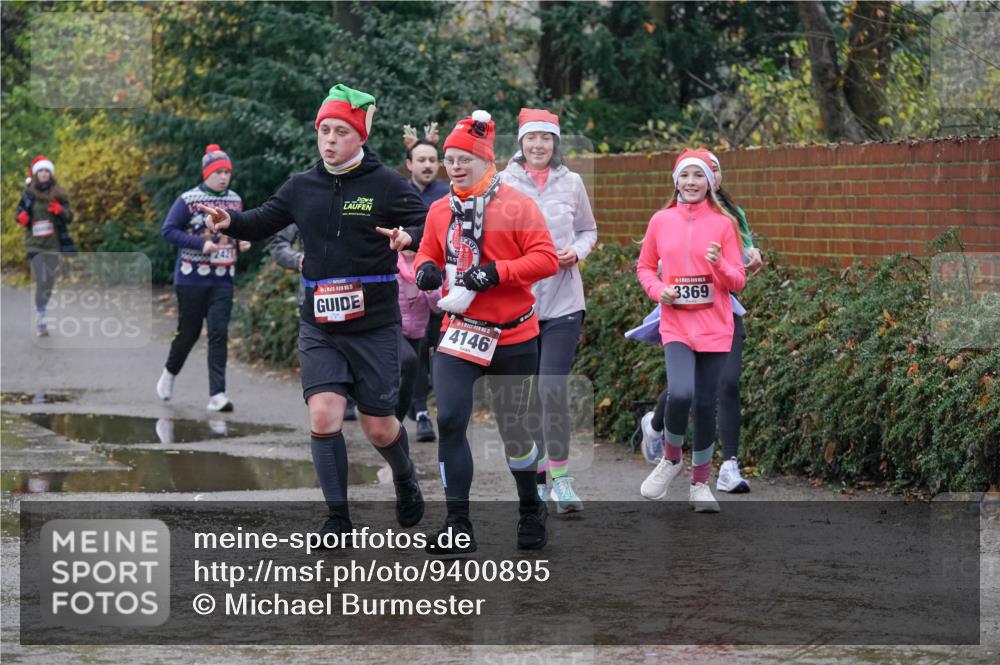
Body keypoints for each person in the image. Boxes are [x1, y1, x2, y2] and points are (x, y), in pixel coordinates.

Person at [198, 84, 429, 539]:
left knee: (380, 428)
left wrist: (410, 238)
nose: (329, 139)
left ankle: (405, 477)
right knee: (323, 416)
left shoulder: (385, 184)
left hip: (374, 324)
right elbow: (264, 219)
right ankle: (337, 518)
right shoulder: (302, 185)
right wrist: (231, 223)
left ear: (359, 136)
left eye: (340, 131)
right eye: (324, 130)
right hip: (320, 323)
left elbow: (425, 222)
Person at [413, 110, 559, 554]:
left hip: (512, 335)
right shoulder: (441, 209)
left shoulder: (516, 205)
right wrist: (425, 271)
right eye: (449, 160)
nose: (454, 167)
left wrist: (495, 273)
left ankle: (530, 508)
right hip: (460, 332)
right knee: (451, 420)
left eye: (463, 160)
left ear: (485, 161)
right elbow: (426, 252)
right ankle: (458, 524)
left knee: (515, 431)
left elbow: (546, 260)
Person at [638, 151, 763, 494]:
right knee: (680, 392)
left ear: (710, 183)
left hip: (716, 325)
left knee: (707, 404)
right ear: (675, 181)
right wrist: (659, 290)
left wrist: (720, 264)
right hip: (676, 323)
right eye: (685, 176)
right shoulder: (660, 221)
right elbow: (645, 268)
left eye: (699, 176)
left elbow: (737, 280)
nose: (691, 182)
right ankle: (672, 458)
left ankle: (700, 483)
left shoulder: (726, 223)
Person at [499, 108, 597, 513]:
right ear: (520, 142)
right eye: (531, 138)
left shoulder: (572, 182)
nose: (538, 145)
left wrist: (577, 251)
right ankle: (538, 480)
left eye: (546, 138)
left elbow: (588, 230)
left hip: (564, 302)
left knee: (551, 389)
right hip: (518, 304)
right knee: (529, 399)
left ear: (556, 143)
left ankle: (561, 478)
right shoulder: (502, 183)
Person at [156, 145, 248, 412]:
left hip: (223, 277)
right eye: (218, 172)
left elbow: (239, 228)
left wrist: (243, 241)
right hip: (191, 278)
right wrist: (199, 245)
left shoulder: (235, 200)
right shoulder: (189, 199)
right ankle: (169, 375)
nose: (223, 177)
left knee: (219, 333)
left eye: (227, 172)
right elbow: (168, 231)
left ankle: (217, 395)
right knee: (189, 333)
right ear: (206, 173)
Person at [267, 224, 358, 421]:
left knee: (353, 343)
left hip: (355, 292)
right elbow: (277, 242)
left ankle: (350, 395)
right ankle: (334, 398)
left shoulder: (360, 198)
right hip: (315, 295)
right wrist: (298, 259)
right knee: (324, 351)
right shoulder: (303, 196)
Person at [402, 124, 450, 440]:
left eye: (432, 159)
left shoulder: (447, 193)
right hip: (406, 282)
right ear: (409, 164)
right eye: (421, 160)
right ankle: (421, 413)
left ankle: (438, 407)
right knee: (416, 352)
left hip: (442, 281)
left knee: (438, 350)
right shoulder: (400, 193)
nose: (428, 165)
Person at [16, 155, 76, 337]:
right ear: (35, 175)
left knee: (48, 283)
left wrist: (61, 211)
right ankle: (41, 320)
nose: (43, 174)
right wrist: (22, 218)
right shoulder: (29, 195)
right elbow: (19, 213)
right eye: (40, 171)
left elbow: (70, 217)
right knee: (42, 279)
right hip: (35, 246)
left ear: (50, 174)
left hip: (53, 245)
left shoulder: (59, 195)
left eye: (46, 171)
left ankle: (40, 309)